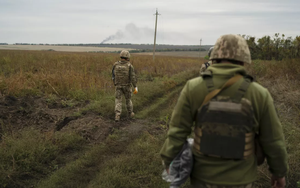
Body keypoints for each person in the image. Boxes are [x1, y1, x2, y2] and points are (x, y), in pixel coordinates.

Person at [160, 34, 288, 188]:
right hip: (242, 180)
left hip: (202, 178)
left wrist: (168, 159)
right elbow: (273, 141)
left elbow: (177, 131)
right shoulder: (259, 94)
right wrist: (278, 173)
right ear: (243, 59)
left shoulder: (193, 88)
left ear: (214, 57)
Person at [112, 50, 137, 122]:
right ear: (127, 57)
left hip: (118, 86)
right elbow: (133, 77)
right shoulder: (129, 66)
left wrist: (115, 84)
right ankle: (130, 113)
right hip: (127, 86)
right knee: (128, 100)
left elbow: (113, 76)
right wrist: (135, 86)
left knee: (118, 100)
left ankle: (117, 115)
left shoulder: (115, 65)